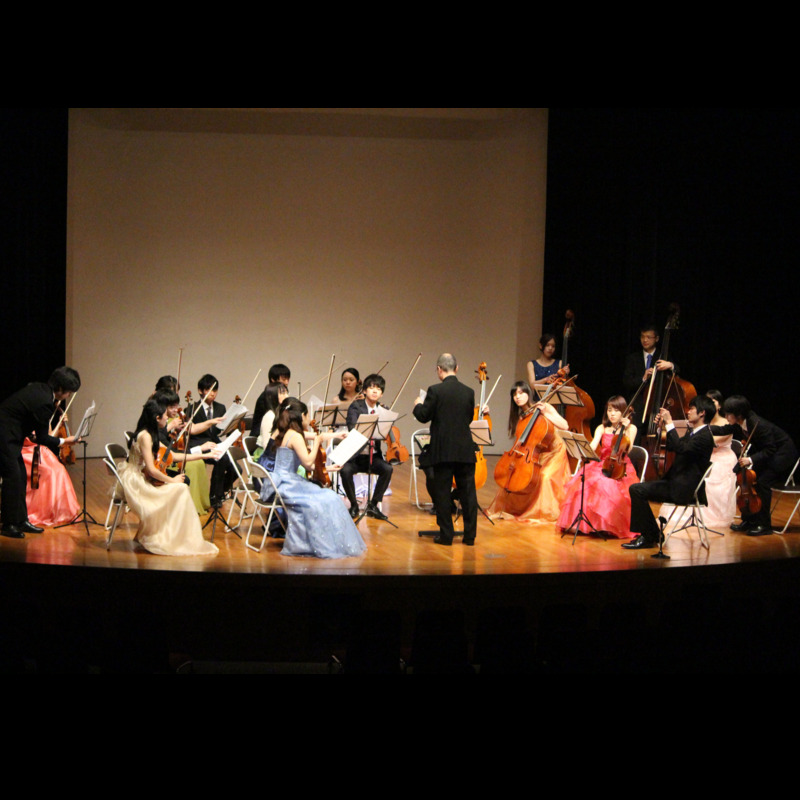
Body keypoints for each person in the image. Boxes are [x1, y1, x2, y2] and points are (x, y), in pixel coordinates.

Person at [261, 398, 366, 559]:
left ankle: (324, 541)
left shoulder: (285, 431)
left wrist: (327, 466)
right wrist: (317, 442)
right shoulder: (295, 436)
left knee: (329, 496)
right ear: (301, 416)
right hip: (287, 484)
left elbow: (308, 458)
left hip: (280, 482)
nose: (309, 419)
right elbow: (309, 463)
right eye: (307, 415)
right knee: (327, 498)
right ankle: (321, 543)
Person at [118, 397, 218, 556]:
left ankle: (170, 536)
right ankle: (167, 537)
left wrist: (204, 455)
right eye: (165, 415)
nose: (168, 419)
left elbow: (174, 455)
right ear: (157, 418)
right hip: (136, 482)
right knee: (180, 488)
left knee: (180, 488)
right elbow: (152, 470)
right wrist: (172, 480)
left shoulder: (150, 433)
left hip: (142, 476)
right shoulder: (145, 436)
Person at [623, 394, 715, 550]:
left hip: (684, 489)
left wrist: (670, 423)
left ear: (702, 413)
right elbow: (673, 446)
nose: (688, 411)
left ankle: (650, 536)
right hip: (675, 483)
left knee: (637, 489)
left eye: (692, 408)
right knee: (636, 488)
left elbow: (681, 448)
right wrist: (662, 428)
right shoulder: (694, 432)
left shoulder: (705, 436)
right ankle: (652, 534)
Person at [0, 367, 82, 538]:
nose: (68, 396)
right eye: (69, 392)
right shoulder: (45, 402)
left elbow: (25, 416)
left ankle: (21, 520)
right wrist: (65, 441)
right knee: (12, 478)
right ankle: (8, 525)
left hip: (11, 434)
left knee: (21, 476)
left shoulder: (39, 388)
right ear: (61, 389)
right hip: (5, 435)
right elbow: (43, 438)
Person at [413, 353, 478, 546]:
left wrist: (418, 405)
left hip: (443, 451)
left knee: (442, 494)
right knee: (468, 495)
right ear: (457, 368)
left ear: (439, 369)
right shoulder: (469, 392)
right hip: (465, 450)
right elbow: (469, 418)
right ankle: (469, 537)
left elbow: (423, 416)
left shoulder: (435, 390)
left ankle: (446, 536)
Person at [711, 395, 799, 536]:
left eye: (728, 414)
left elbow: (771, 449)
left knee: (762, 482)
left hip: (782, 455)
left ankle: (764, 525)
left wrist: (750, 459)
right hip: (768, 454)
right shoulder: (741, 421)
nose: (726, 416)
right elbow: (724, 430)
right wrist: (704, 428)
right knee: (747, 480)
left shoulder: (759, 425)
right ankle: (749, 521)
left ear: (738, 414)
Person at [488, 380, 571, 524]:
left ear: (528, 393)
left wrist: (545, 413)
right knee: (513, 474)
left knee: (544, 477)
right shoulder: (522, 415)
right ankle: (517, 509)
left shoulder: (545, 406)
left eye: (521, 393)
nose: (517, 397)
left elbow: (565, 425)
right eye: (514, 394)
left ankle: (543, 513)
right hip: (537, 453)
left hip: (554, 452)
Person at [558, 396, 639, 538]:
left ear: (623, 412)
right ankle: (587, 525)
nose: (612, 414)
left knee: (607, 486)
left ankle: (607, 526)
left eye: (616, 411)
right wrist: (582, 447)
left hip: (621, 467)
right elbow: (593, 445)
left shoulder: (631, 428)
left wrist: (625, 430)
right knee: (584, 482)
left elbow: (629, 448)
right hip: (603, 464)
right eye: (609, 410)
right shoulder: (602, 428)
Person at [659, 389, 737, 531]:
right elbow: (682, 445)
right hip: (700, 457)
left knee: (710, 477)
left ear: (719, 405)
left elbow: (709, 442)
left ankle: (710, 514)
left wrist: (693, 436)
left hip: (720, 457)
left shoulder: (725, 424)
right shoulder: (698, 425)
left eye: (713, 401)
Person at [339, 374, 394, 521]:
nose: (375, 391)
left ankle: (373, 505)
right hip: (356, 456)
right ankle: (354, 505)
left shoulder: (383, 409)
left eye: (379, 389)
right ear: (364, 391)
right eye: (371, 388)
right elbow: (352, 427)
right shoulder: (356, 406)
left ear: (382, 393)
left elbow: (386, 431)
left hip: (373, 456)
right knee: (345, 471)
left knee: (387, 469)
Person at [184, 374, 236, 507]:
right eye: (208, 390)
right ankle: (214, 497)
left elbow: (221, 430)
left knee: (237, 469)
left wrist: (231, 426)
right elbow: (190, 431)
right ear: (200, 390)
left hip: (214, 443)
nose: (212, 393)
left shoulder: (221, 408)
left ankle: (219, 492)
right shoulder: (192, 408)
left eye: (215, 390)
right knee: (221, 459)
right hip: (199, 444)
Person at [622, 323, 677, 441]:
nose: (645, 340)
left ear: (656, 339)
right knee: (635, 440)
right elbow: (627, 382)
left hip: (657, 405)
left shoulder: (663, 356)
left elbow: (678, 371)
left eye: (649, 337)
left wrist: (670, 365)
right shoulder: (633, 358)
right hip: (637, 408)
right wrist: (643, 378)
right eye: (642, 336)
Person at [251, 364, 291, 438]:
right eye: (284, 379)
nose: (286, 382)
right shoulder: (265, 398)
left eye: (288, 379)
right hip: (261, 436)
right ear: (273, 379)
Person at [254, 382, 289, 455]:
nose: (287, 396)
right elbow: (266, 445)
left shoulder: (283, 413)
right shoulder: (269, 416)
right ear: (273, 397)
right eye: (283, 393)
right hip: (266, 456)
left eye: (287, 392)